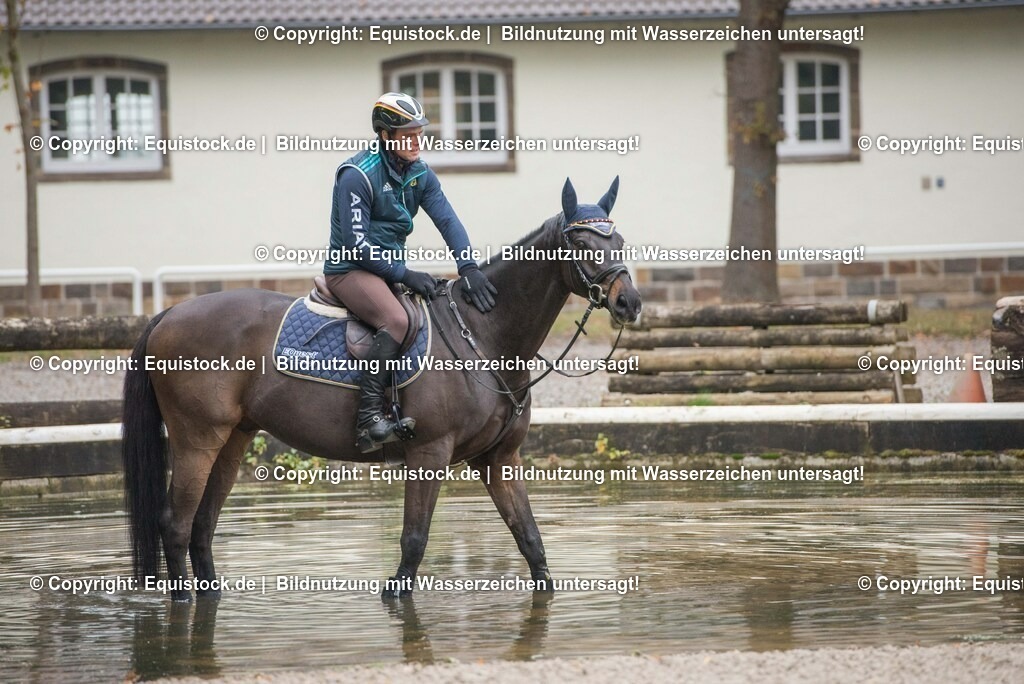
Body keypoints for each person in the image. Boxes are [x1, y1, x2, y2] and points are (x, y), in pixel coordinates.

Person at [325, 92, 497, 453]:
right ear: (385, 136)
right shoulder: (357, 175)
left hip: (387, 270)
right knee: (397, 320)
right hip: (350, 269)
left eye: (420, 134)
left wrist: (468, 266)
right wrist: (405, 274)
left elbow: (448, 220)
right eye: (409, 135)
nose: (418, 142)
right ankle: (368, 420)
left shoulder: (419, 173)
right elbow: (356, 246)